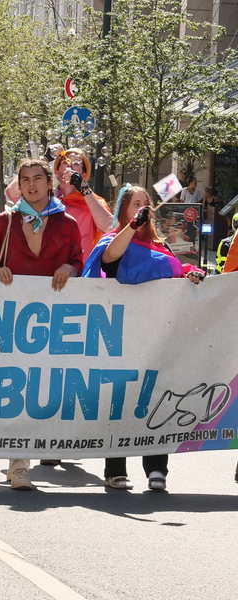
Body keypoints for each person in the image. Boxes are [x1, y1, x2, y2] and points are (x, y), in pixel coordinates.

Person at [82, 185, 205, 490]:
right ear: (124, 209)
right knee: (120, 401)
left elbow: (175, 274)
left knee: (157, 398)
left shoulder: (160, 245)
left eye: (145, 203)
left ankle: (156, 468)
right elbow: (110, 258)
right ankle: (115, 470)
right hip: (120, 336)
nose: (141, 208)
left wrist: (191, 274)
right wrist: (132, 227)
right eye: (135, 203)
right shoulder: (113, 240)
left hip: (156, 335)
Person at [0, 158, 84, 491]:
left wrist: (70, 268)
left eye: (38, 178)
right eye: (25, 179)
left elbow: (80, 262)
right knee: (17, 389)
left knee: (44, 388)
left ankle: (38, 446)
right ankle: (19, 464)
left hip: (53, 322)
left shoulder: (67, 223)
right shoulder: (4, 222)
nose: (32, 184)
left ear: (50, 183)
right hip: (11, 321)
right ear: (19, 185)